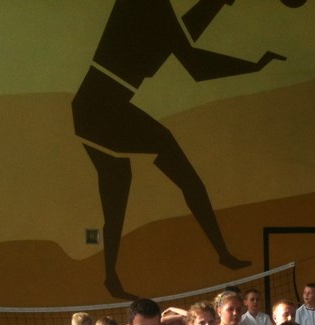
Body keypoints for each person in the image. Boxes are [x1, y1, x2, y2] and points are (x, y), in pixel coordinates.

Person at [71, 0, 302, 298]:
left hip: (92, 106)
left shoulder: (152, 9)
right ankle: (222, 253)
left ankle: (112, 279)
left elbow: (179, 37)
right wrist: (253, 65)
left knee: (118, 185)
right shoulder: (148, 6)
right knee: (171, 160)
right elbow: (195, 63)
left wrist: (216, 4)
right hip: (103, 107)